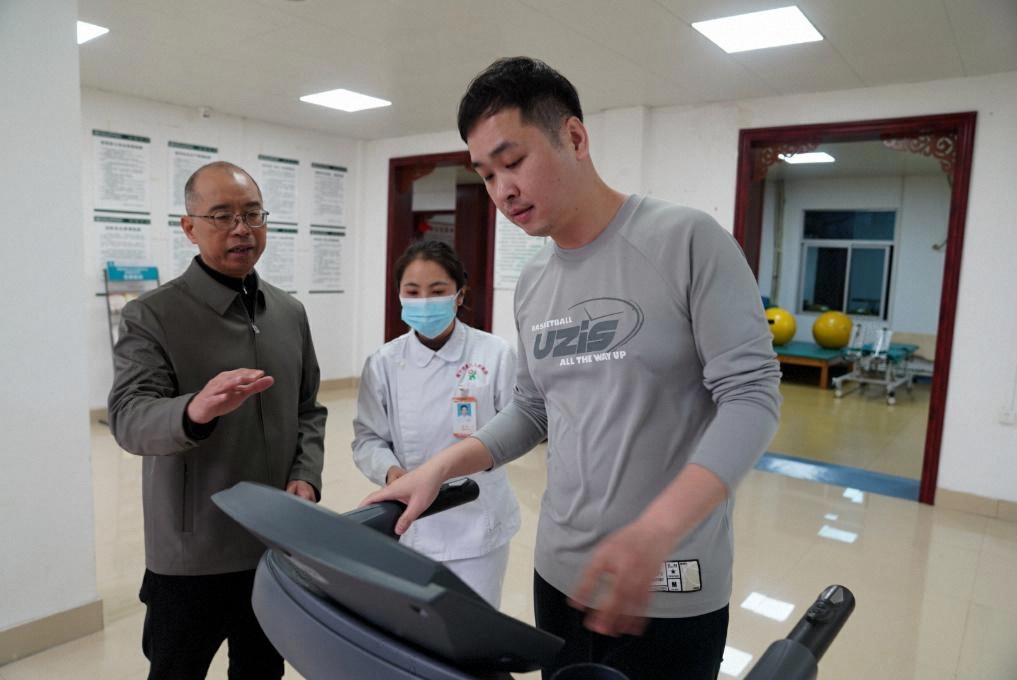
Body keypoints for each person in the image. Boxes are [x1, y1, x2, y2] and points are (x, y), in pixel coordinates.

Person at [362, 57, 781, 680]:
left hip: (667, 577)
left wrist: (656, 531)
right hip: (561, 574)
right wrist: (439, 469)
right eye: (486, 174)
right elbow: (532, 410)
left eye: (513, 161)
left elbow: (751, 396)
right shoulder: (534, 282)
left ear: (575, 138)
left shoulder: (688, 241)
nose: (502, 190)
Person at [108, 161, 327, 680]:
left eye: (253, 214)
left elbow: (308, 408)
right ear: (189, 227)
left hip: (272, 542)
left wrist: (306, 473)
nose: (241, 229)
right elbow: (128, 416)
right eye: (222, 216)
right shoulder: (153, 314)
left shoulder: (288, 312)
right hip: (192, 553)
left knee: (261, 671)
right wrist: (193, 410)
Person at [353, 240, 520, 607]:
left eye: (437, 290)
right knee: (413, 626)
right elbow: (367, 439)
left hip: (477, 524)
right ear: (399, 295)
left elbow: (518, 429)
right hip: (409, 524)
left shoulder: (494, 354)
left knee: (473, 628)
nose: (424, 301)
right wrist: (394, 474)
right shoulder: (383, 363)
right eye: (413, 292)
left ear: (459, 295)